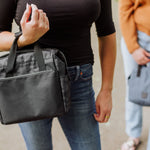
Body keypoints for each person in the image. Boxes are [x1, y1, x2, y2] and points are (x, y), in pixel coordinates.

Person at [0, 0, 116, 150]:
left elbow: (107, 32)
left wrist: (107, 89)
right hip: (30, 82)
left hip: (79, 80)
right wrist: (23, 39)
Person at [119, 0, 150, 150]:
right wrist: (133, 47)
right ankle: (133, 135)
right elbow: (124, 10)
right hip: (138, 37)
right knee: (134, 88)